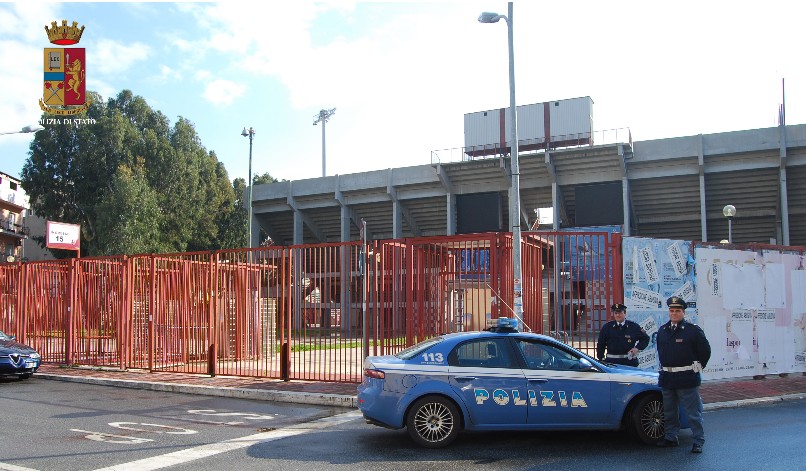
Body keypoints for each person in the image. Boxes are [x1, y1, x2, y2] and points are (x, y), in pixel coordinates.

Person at [655, 296, 711, 453]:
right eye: (671, 311)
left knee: (692, 413)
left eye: (677, 311)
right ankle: (671, 437)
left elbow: (705, 350)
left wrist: (700, 365)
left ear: (683, 312)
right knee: (669, 411)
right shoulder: (663, 330)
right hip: (667, 377)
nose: (674, 313)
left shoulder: (692, 331)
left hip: (686, 377)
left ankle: (698, 440)